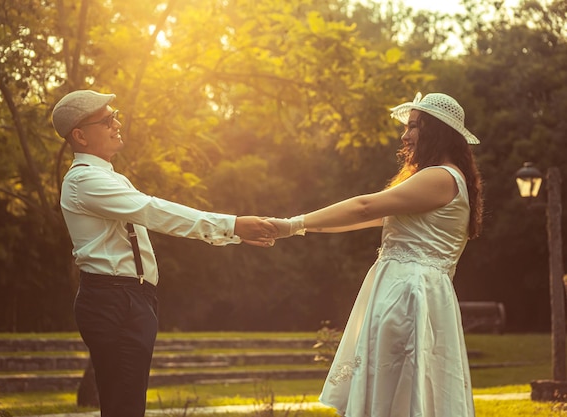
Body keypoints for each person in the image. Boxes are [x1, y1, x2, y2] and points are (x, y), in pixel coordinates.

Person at [52, 89, 277, 417]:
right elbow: (153, 211)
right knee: (123, 407)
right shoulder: (84, 181)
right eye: (106, 120)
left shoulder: (111, 177)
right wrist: (233, 225)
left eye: (115, 115)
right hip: (111, 299)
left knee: (128, 405)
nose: (116, 123)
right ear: (80, 136)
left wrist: (233, 233)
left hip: (133, 298)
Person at [270, 92, 483, 417]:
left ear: (436, 130)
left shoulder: (440, 177)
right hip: (413, 292)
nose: (405, 135)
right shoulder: (443, 179)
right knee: (398, 387)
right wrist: (301, 228)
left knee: (398, 388)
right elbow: (364, 217)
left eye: (413, 126)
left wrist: (289, 224)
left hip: (408, 294)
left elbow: (364, 206)